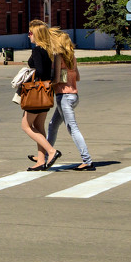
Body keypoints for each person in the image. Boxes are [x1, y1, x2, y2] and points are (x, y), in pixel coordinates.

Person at [43, 22, 94, 170]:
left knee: (73, 128)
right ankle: (46, 156)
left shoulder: (58, 56)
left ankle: (87, 160)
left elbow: (57, 79)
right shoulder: (72, 56)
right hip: (73, 95)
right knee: (52, 126)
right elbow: (77, 77)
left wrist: (48, 83)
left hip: (64, 97)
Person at [24, 20, 62, 171]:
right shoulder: (49, 51)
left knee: (26, 125)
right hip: (47, 92)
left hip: (36, 93)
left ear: (37, 35)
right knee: (39, 126)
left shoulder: (38, 51)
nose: (28, 36)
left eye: (30, 33)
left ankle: (51, 152)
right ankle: (41, 161)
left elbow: (39, 71)